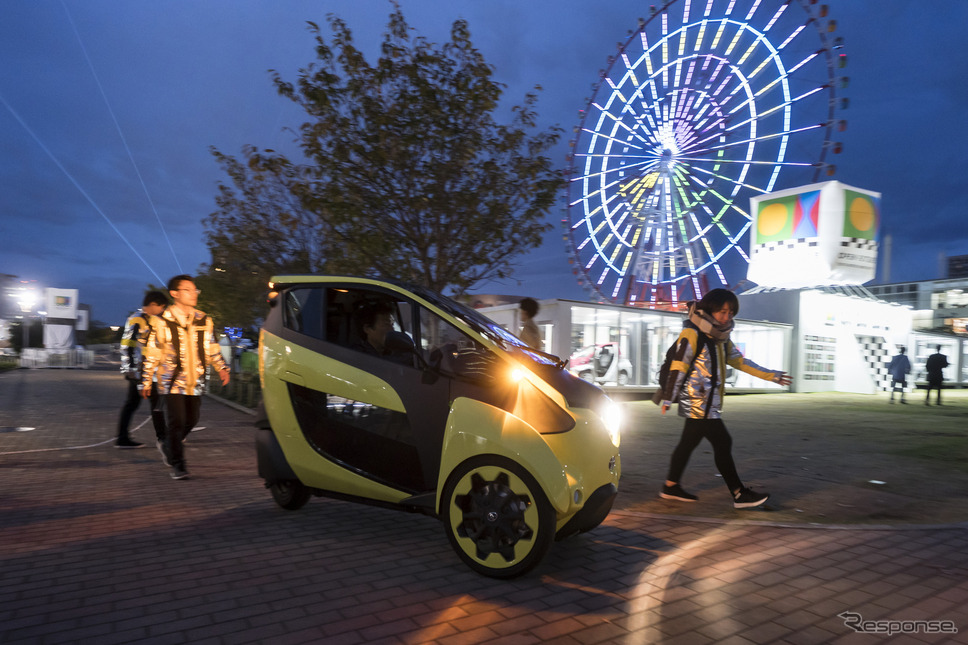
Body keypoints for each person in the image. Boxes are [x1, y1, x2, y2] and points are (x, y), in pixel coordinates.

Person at [657, 288, 792, 509]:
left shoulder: (721, 337)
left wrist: (772, 375)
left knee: (688, 443)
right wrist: (668, 397)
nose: (726, 317)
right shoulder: (693, 333)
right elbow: (679, 364)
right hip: (700, 402)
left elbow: (741, 362)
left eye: (730, 312)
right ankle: (739, 493)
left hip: (709, 401)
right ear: (710, 309)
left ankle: (670, 486)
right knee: (723, 442)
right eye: (722, 311)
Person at [141, 275, 230, 480]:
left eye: (195, 290)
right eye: (188, 290)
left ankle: (169, 445)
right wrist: (146, 380)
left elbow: (212, 347)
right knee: (177, 421)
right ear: (175, 293)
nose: (194, 293)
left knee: (192, 419)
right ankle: (178, 465)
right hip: (171, 381)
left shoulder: (204, 319)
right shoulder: (161, 321)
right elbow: (153, 353)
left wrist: (222, 368)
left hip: (196, 379)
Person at [115, 291, 168, 448]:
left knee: (135, 404)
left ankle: (123, 438)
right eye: (161, 307)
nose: (162, 310)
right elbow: (127, 345)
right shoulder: (137, 319)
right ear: (152, 304)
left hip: (145, 370)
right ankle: (162, 438)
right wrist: (130, 369)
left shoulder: (149, 319)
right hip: (140, 370)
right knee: (153, 403)